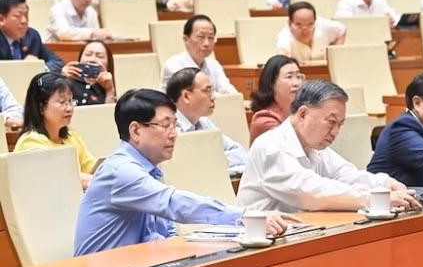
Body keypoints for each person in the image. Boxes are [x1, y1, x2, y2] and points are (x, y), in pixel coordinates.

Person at [74, 88, 298, 256]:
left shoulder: (150, 170)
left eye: (175, 125)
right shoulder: (120, 171)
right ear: (135, 130)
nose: (173, 134)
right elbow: (172, 203)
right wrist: (243, 216)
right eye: (165, 125)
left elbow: (166, 229)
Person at [238, 80, 421, 212]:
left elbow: (345, 174)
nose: (335, 132)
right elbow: (313, 194)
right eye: (331, 122)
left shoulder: (314, 146)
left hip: (299, 233)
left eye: (340, 124)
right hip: (262, 247)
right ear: (303, 114)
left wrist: (385, 183)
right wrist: (376, 199)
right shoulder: (271, 147)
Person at [15, 72, 97, 189]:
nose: (69, 108)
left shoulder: (72, 138)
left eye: (70, 101)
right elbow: (62, 178)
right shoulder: (30, 142)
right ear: (41, 107)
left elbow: (92, 167)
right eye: (62, 102)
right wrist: (100, 181)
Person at [166, 67, 247, 168]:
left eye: (212, 91)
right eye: (207, 91)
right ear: (186, 96)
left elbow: (240, 152)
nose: (213, 97)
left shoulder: (204, 122)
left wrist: (216, 161)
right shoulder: (169, 129)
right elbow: (191, 167)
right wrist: (217, 160)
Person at [162, 15, 237, 94]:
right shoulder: (173, 65)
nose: (206, 43)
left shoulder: (214, 65)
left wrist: (236, 98)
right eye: (201, 37)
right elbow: (198, 95)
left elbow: (226, 88)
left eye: (211, 38)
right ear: (185, 39)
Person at [0, 0, 64, 72]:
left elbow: (57, 62)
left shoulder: (32, 35)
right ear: (1, 19)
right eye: (18, 16)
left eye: (26, 15)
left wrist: (38, 68)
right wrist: (26, 67)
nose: (24, 21)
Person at [249, 54, 304, 143]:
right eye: (289, 77)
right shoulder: (264, 120)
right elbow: (290, 147)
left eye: (298, 77)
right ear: (271, 83)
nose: (297, 83)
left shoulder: (298, 112)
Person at [45, 0, 112, 42]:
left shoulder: (91, 12)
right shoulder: (58, 9)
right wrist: (92, 33)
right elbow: (63, 33)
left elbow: (96, 38)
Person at [275, 1, 346, 63]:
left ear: (315, 21)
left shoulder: (323, 25)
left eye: (310, 24)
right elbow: (281, 67)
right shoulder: (283, 40)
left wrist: (334, 55)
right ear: (289, 24)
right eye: (298, 25)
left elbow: (342, 29)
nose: (305, 29)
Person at [61, 40, 116, 105]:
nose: (92, 60)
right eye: (88, 54)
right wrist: (61, 78)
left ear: (108, 63)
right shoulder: (69, 79)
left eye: (100, 56)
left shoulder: (108, 87)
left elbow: (108, 113)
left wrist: (110, 91)